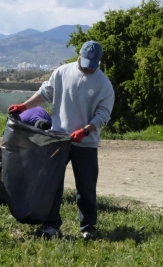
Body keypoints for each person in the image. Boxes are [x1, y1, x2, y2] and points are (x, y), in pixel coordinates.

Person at [7, 40, 115, 239]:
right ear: (79, 56)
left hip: (86, 143)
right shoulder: (62, 73)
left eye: (93, 64)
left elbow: (103, 115)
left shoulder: (104, 85)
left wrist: (86, 130)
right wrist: (24, 106)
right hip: (58, 139)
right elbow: (45, 93)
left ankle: (88, 227)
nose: (89, 67)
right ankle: (51, 225)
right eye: (86, 62)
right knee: (52, 184)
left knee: (86, 186)